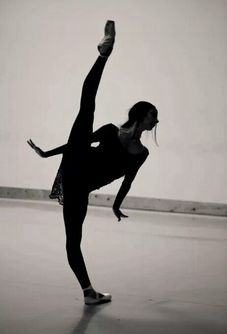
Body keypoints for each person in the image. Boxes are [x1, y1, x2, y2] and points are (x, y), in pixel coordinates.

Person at [27, 20, 159, 305]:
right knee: (87, 105)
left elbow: (128, 182)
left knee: (74, 240)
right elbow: (77, 144)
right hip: (77, 163)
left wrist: (116, 205)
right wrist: (47, 154)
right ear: (141, 115)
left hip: (79, 185)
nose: (156, 121)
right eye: (153, 115)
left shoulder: (142, 154)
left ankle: (89, 293)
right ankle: (104, 54)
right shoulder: (111, 130)